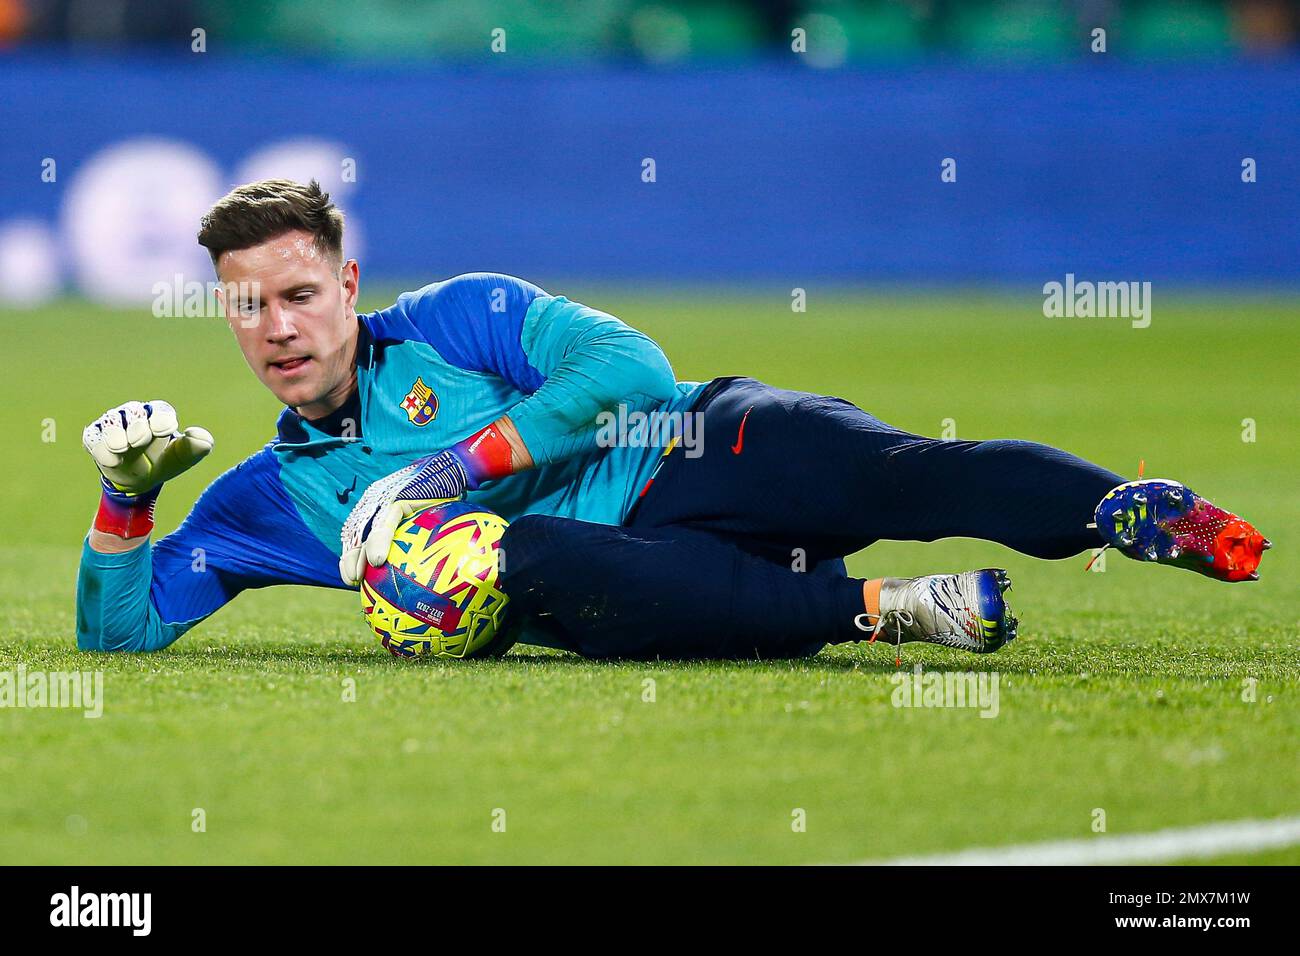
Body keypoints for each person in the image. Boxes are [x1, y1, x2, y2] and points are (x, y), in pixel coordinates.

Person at [76, 180, 1269, 659]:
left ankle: (1116, 506)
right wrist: (126, 499)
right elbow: (118, 639)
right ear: (226, 315)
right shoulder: (263, 502)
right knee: (526, 555)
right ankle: (895, 611)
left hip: (693, 444)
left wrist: (457, 462)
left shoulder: (456, 316)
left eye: (298, 293)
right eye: (249, 306)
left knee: (892, 471)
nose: (279, 326)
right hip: (632, 574)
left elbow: (633, 368)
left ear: (347, 283)